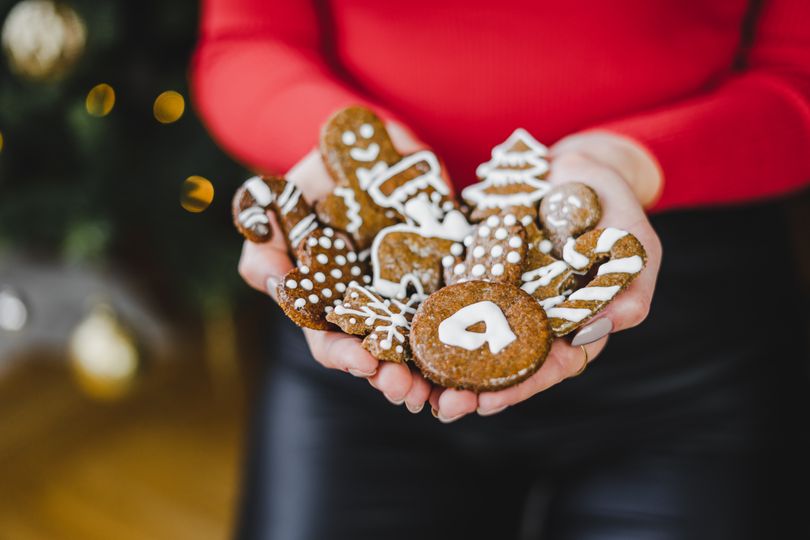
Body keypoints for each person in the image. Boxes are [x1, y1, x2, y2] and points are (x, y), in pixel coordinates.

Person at [192, 1, 810, 538]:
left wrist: (624, 162)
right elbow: (245, 41)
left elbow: (796, 76)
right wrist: (355, 157)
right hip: (366, 325)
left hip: (685, 344)